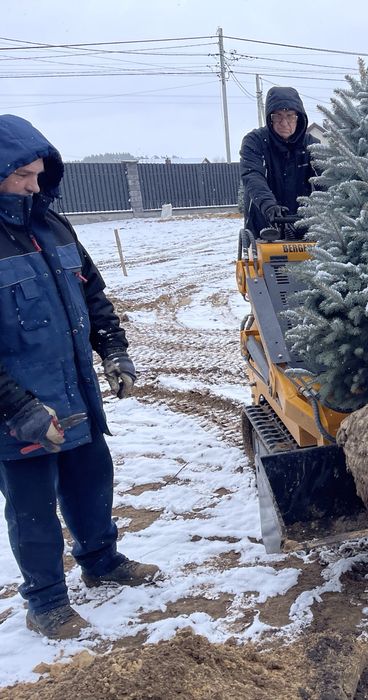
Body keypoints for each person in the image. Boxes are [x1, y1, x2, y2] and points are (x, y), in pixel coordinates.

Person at [0, 115, 160, 640]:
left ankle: (101, 560)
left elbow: (93, 297)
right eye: (22, 175)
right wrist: (20, 409)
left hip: (75, 394)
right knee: (33, 510)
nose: (34, 185)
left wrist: (115, 350)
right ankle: (44, 601)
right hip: (19, 412)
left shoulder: (55, 226)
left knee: (92, 479)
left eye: (39, 173)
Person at [240, 86, 319, 239]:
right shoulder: (255, 142)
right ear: (270, 118)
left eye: (290, 116)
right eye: (278, 116)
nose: (284, 123)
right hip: (264, 227)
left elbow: (326, 181)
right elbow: (253, 176)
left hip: (306, 227)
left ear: (299, 117)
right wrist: (269, 206)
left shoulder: (312, 146)